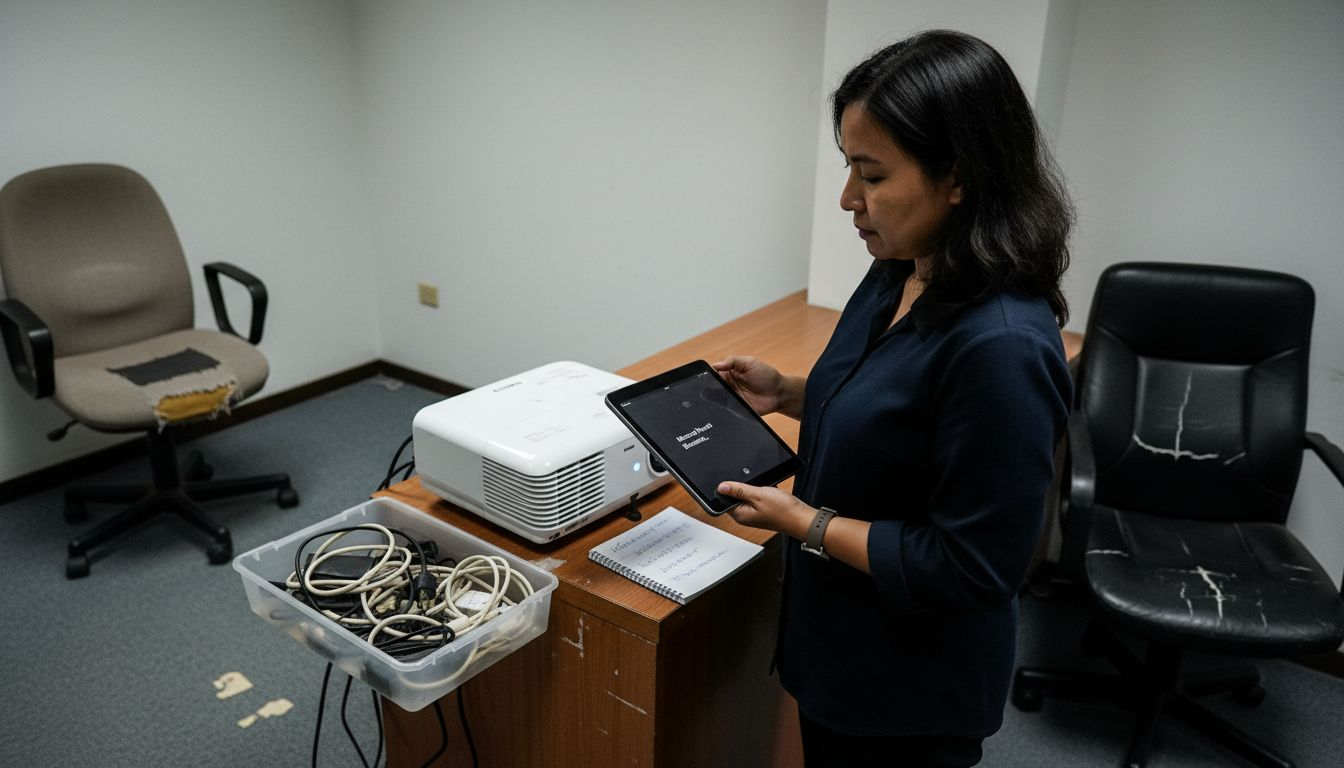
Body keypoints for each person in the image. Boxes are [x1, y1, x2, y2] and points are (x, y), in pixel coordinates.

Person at [712, 30, 1073, 767]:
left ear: (959, 177)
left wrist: (804, 523)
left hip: (908, 689)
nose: (849, 199)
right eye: (850, 167)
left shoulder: (1001, 346)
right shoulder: (900, 269)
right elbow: (894, 414)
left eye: (872, 175)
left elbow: (971, 565)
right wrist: (786, 392)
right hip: (841, 642)